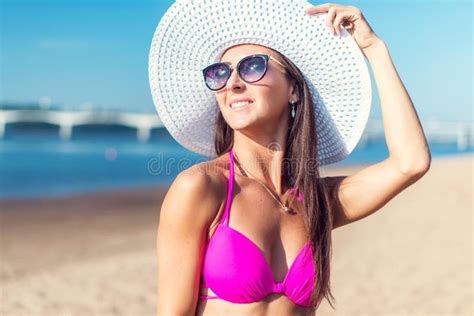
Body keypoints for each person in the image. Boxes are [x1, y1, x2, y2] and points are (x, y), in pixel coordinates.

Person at [149, 1, 431, 315]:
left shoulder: (317, 202)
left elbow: (411, 163)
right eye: (220, 73)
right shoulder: (202, 187)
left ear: (293, 89)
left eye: (252, 66)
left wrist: (374, 49)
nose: (233, 83)